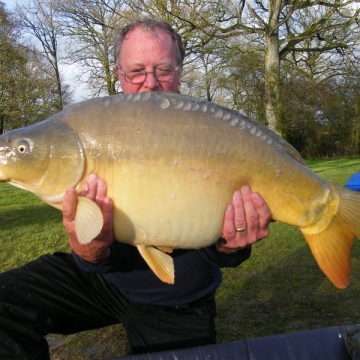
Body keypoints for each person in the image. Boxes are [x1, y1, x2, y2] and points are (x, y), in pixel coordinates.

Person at [0, 18, 271, 358]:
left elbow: (222, 246)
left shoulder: (208, 130)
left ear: (180, 70)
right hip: (104, 282)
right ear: (119, 72)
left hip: (177, 296)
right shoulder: (95, 123)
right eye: (137, 71)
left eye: (163, 69)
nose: (150, 83)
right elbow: (93, 253)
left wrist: (230, 246)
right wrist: (90, 251)